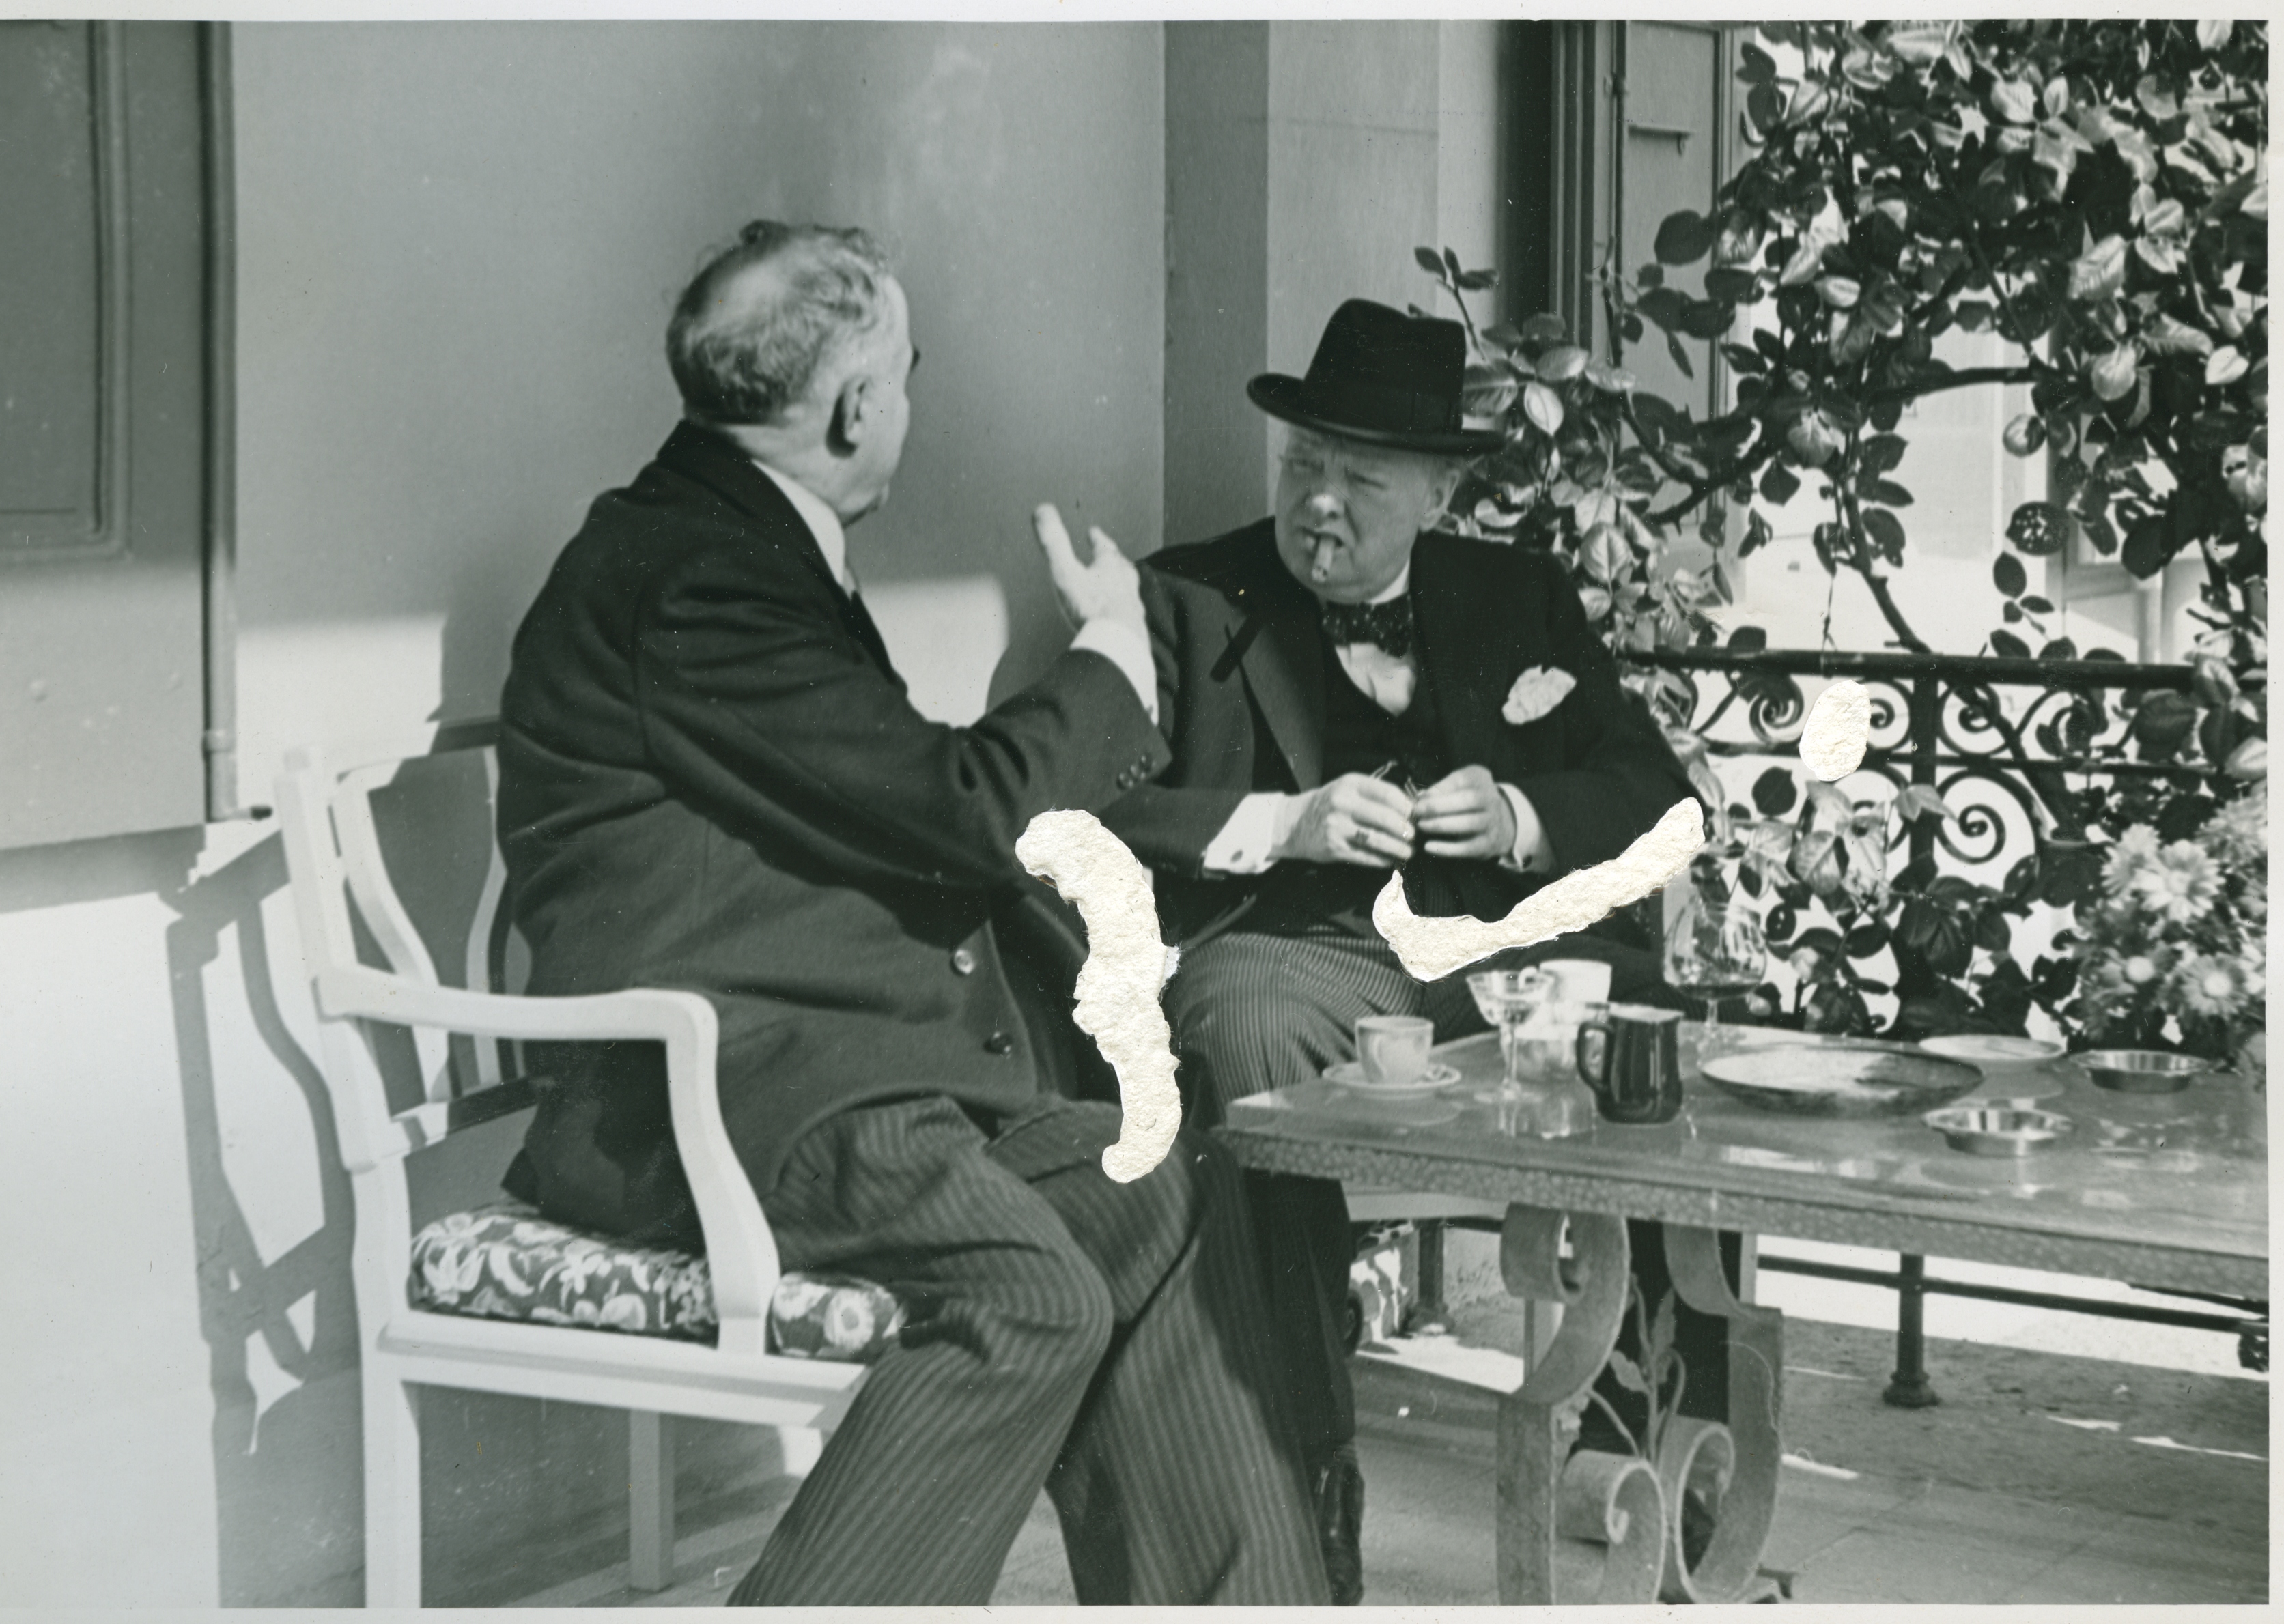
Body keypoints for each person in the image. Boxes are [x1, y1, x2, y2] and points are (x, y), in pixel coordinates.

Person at [493, 221, 1327, 1606]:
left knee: (1154, 1188)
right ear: (854, 406)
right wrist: (1115, 654)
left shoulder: (729, 539)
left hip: (837, 1066)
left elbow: (898, 809)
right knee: (1030, 1299)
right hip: (725, 1094)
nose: (908, 404)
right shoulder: (702, 578)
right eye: (908, 373)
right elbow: (961, 809)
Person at [1102, 298, 1696, 1602]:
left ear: (1435, 493)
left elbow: (1652, 796)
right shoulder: (1186, 599)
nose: (1319, 504)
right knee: (1240, 1031)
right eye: (1301, 468)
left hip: (1504, 964)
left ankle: (1656, 1454)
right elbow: (1087, 802)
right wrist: (1280, 821)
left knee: (1648, 1038)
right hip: (1297, 952)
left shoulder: (1517, 596)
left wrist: (1526, 814)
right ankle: (1304, 1476)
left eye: (1360, 479)